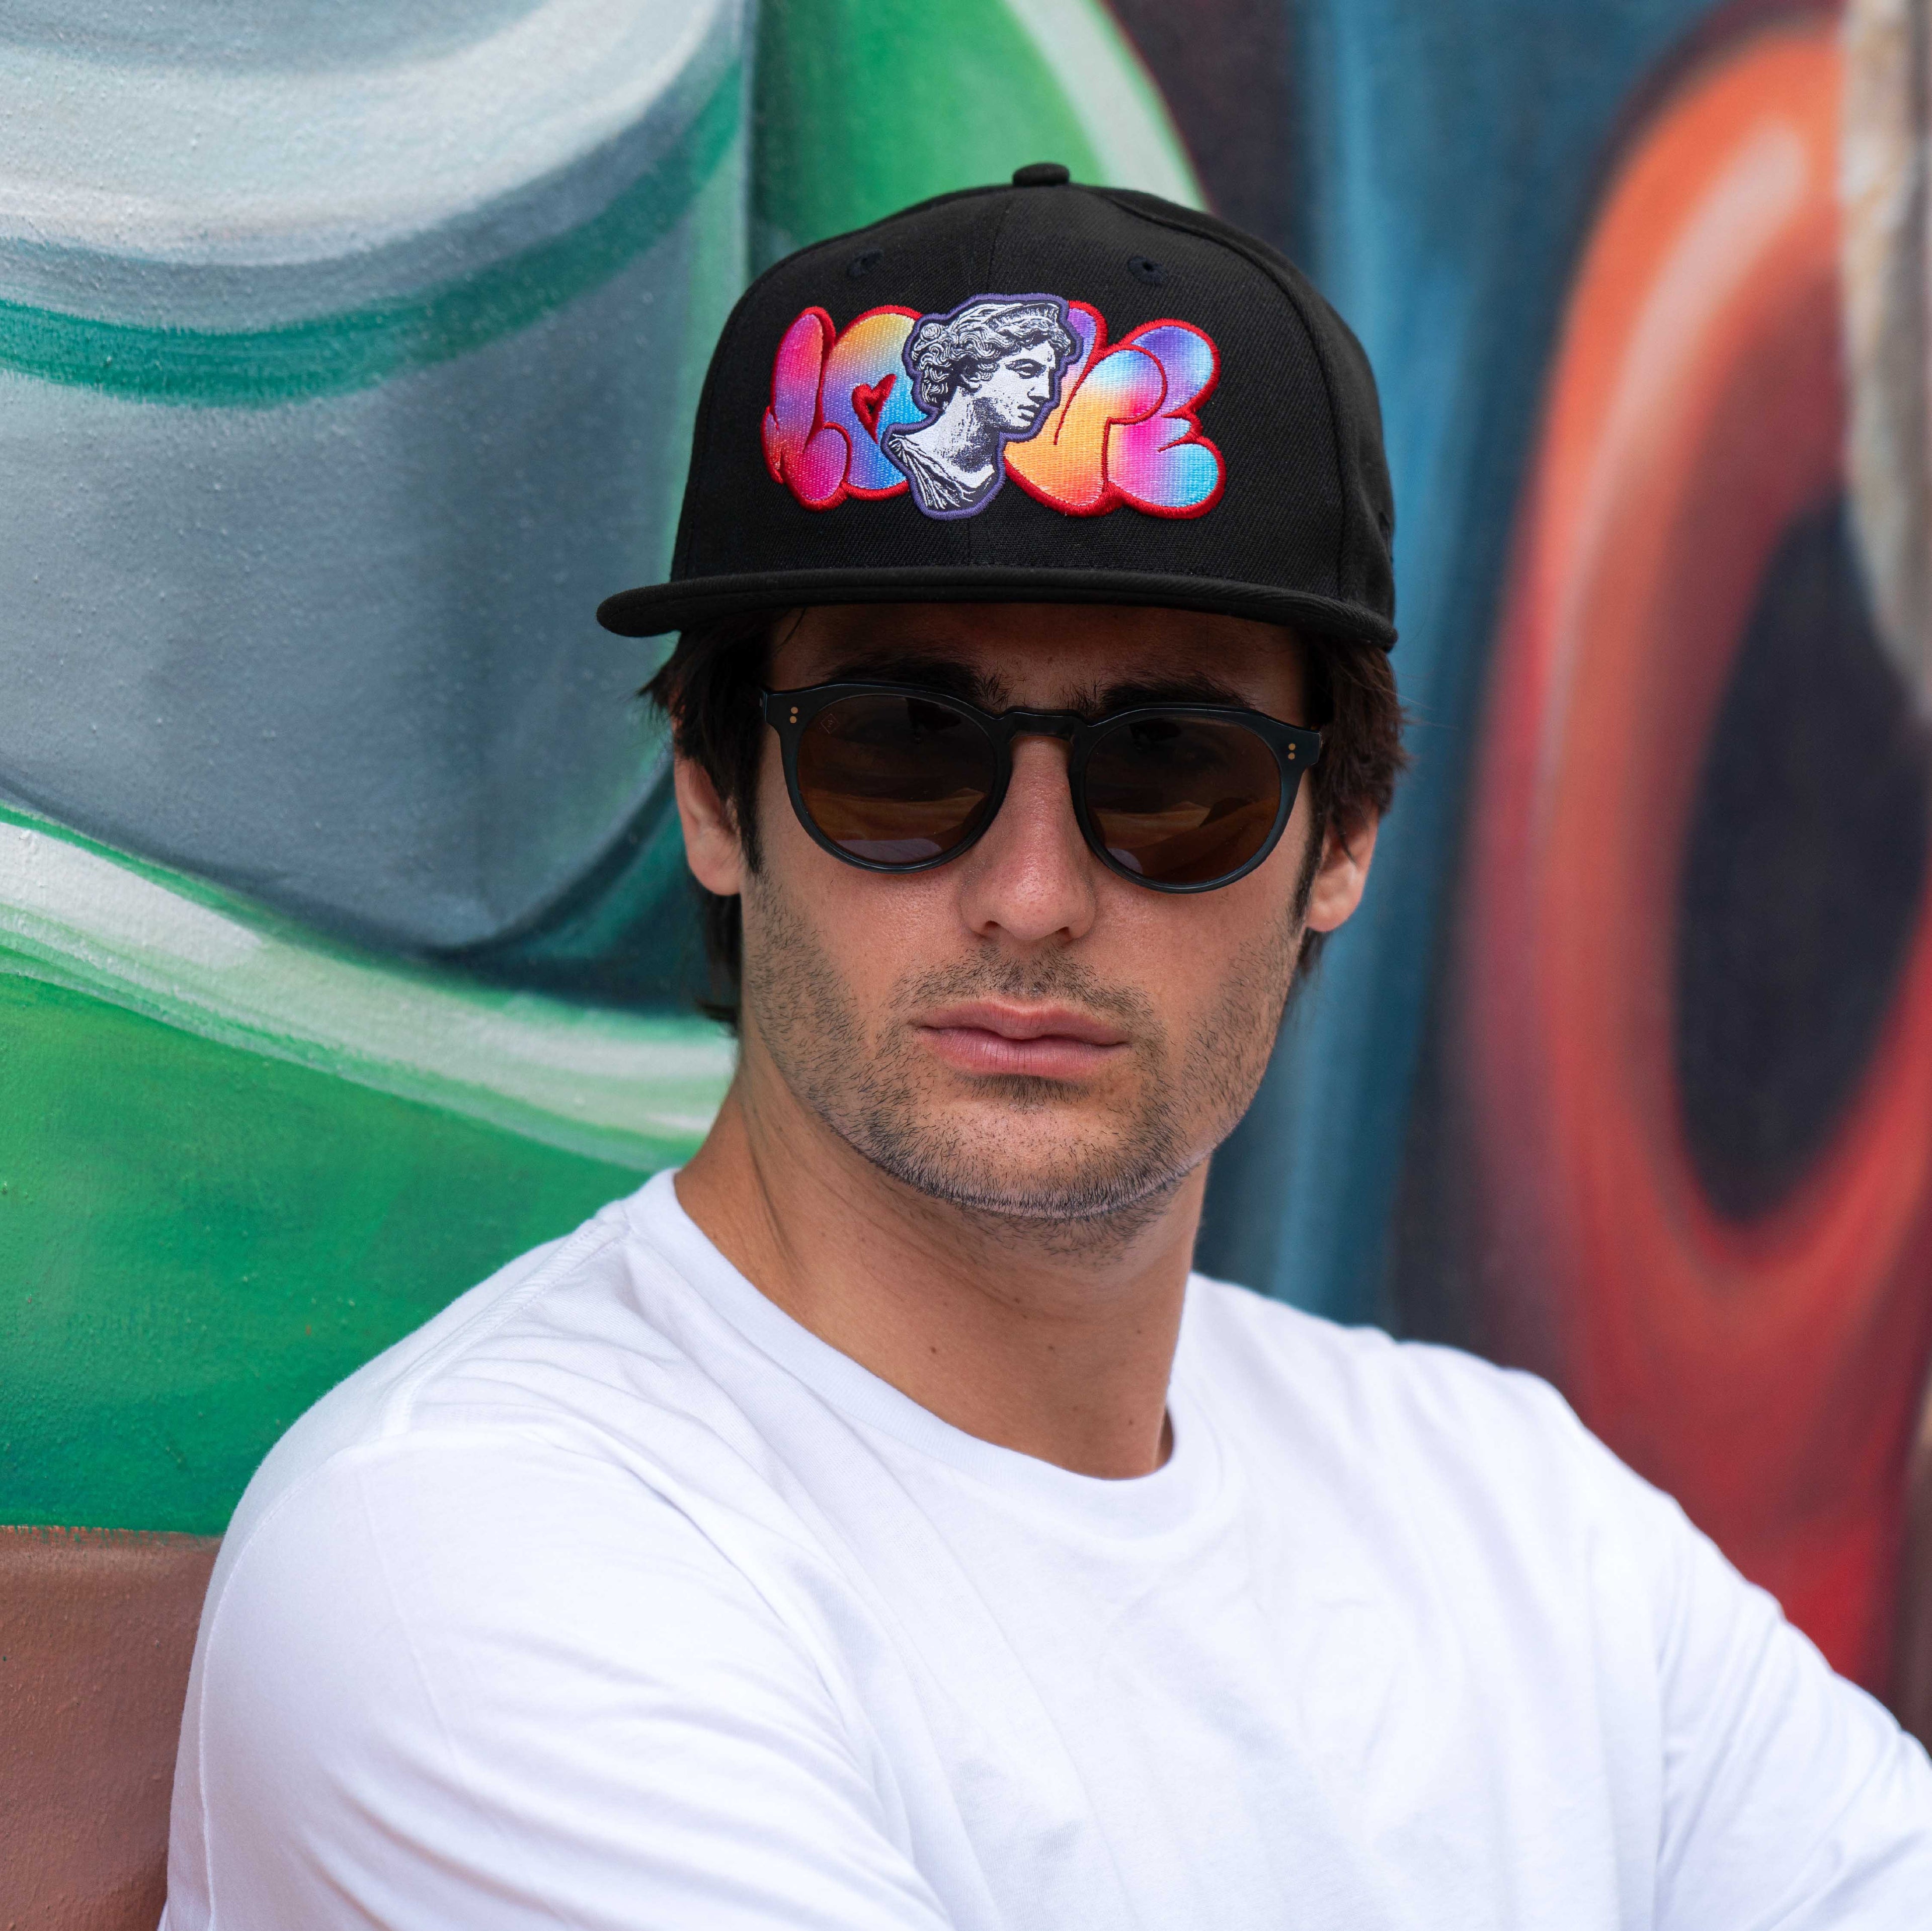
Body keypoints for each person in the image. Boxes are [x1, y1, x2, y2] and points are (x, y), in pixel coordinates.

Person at [163, 166, 1932, 1929]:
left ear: (1339, 838)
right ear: (714, 793)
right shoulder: (475, 1555)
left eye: (1171, 771)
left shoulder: (1518, 1527)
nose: (1030, 894)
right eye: (898, 749)